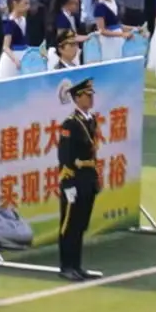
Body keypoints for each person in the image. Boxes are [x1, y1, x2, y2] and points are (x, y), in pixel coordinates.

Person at [55, 77, 102, 281]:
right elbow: (64, 156)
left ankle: (77, 265)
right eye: (86, 96)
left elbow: (93, 153)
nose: (90, 99)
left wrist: (96, 176)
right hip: (74, 178)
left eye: (91, 96)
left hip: (88, 177)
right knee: (70, 224)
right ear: (76, 98)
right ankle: (66, 265)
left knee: (81, 223)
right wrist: (68, 184)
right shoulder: (70, 124)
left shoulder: (91, 120)